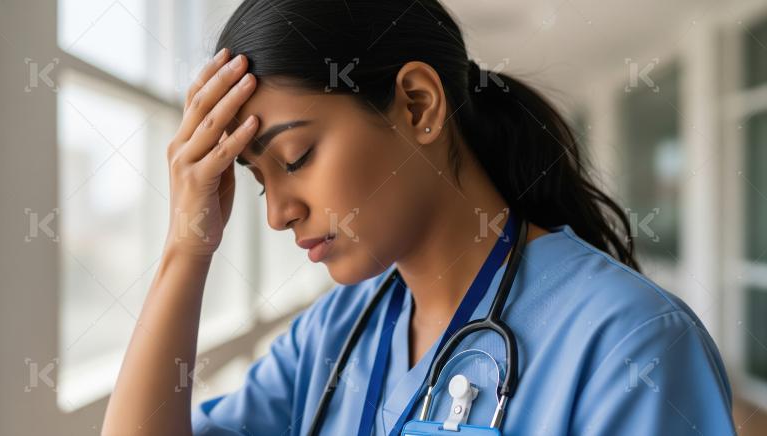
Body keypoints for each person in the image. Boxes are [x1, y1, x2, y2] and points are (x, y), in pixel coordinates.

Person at [101, 1, 735, 435]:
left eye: (296, 158)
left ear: (417, 104)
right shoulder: (334, 335)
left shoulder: (630, 344)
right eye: (257, 177)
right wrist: (187, 249)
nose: (277, 213)